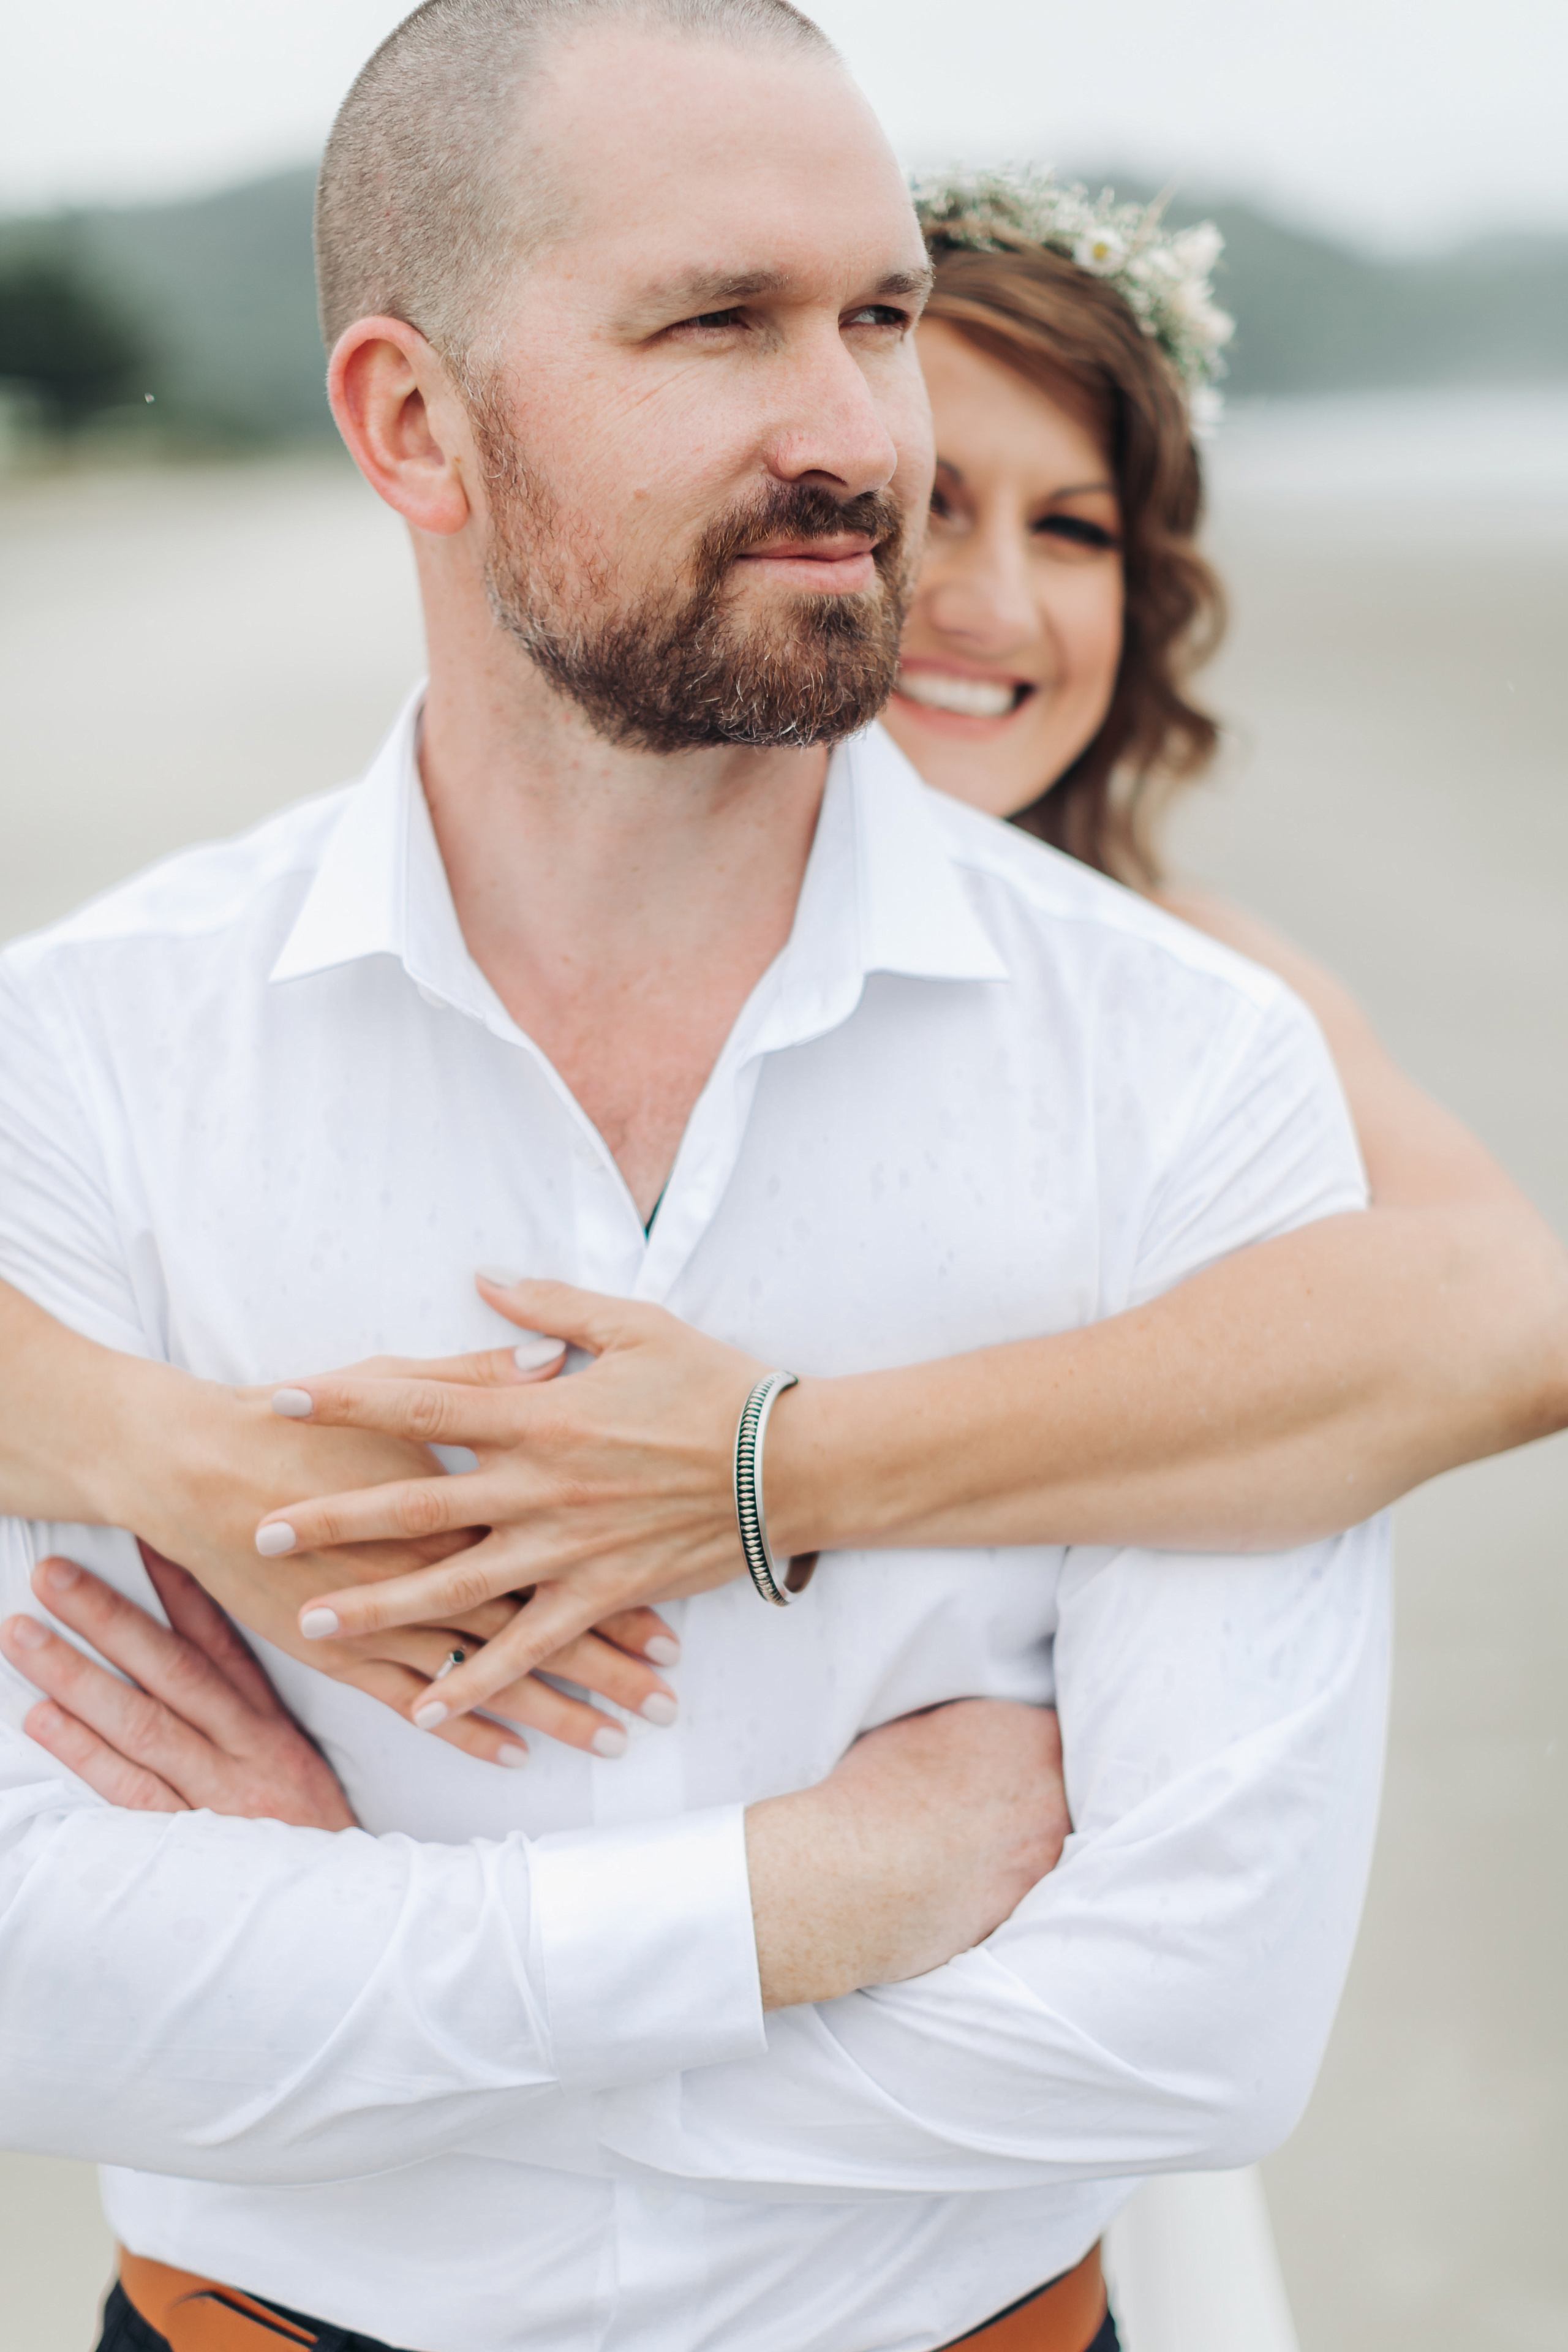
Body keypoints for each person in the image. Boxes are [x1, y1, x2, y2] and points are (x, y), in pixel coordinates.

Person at [0, 6, 1389, 2350]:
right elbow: (36, 1991)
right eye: (717, 321)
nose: (861, 437)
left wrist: (364, 1986)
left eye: (881, 318)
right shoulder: (83, 1052)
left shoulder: (1196, 1072)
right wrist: (806, 1902)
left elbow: (1197, 2027)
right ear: (411, 424)